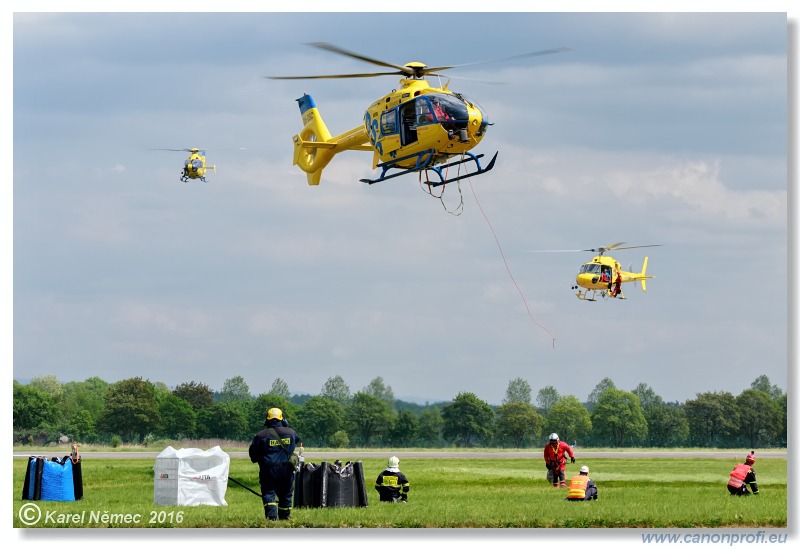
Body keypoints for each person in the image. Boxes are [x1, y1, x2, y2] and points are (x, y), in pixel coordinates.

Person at [248, 407, 303, 520]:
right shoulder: (291, 433)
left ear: (267, 420)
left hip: (268, 470)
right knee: (286, 494)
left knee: (269, 492)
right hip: (286, 469)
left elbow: (253, 455)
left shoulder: (261, 435)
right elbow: (296, 440)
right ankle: (285, 518)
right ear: (282, 419)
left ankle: (271, 518)